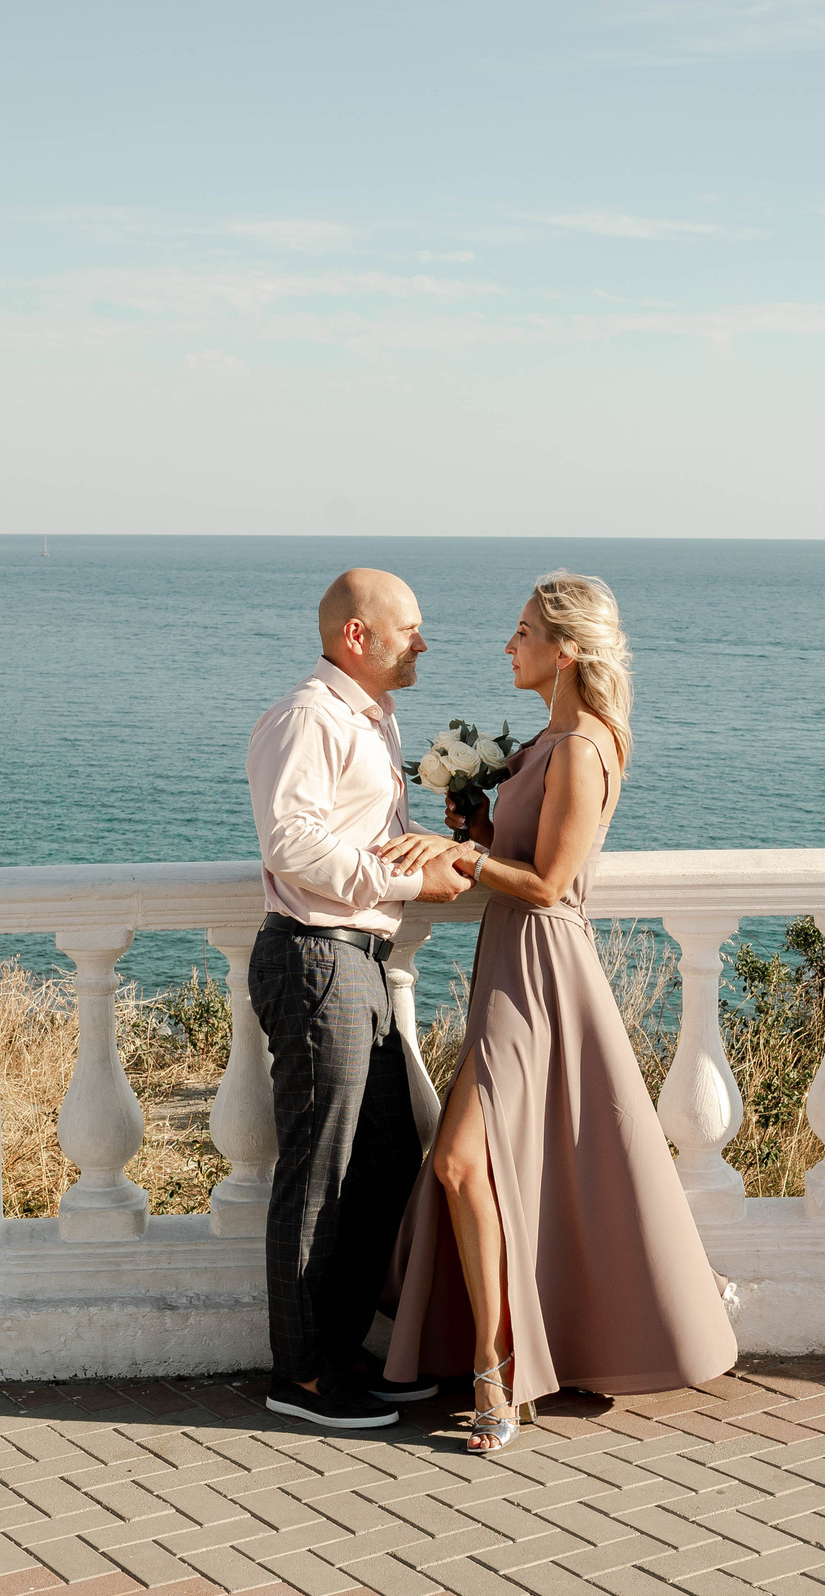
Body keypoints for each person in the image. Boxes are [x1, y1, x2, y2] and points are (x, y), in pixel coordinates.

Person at [377, 571, 738, 1453]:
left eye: (525, 630)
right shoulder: (553, 737)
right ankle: (504, 1361)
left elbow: (546, 885)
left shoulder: (580, 749)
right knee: (491, 1162)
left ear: (567, 647)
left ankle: (494, 1376)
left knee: (463, 1163)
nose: (511, 643)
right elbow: (522, 856)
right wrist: (476, 819)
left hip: (538, 966)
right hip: (510, 958)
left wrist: (458, 850)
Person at [245, 568, 472, 1429]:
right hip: (316, 956)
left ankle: (341, 1352)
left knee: (383, 1158)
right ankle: (301, 1377)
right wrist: (403, 882)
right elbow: (292, 842)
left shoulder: (370, 719)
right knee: (320, 1170)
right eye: (410, 627)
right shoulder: (308, 715)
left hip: (358, 959)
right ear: (357, 638)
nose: (423, 641)